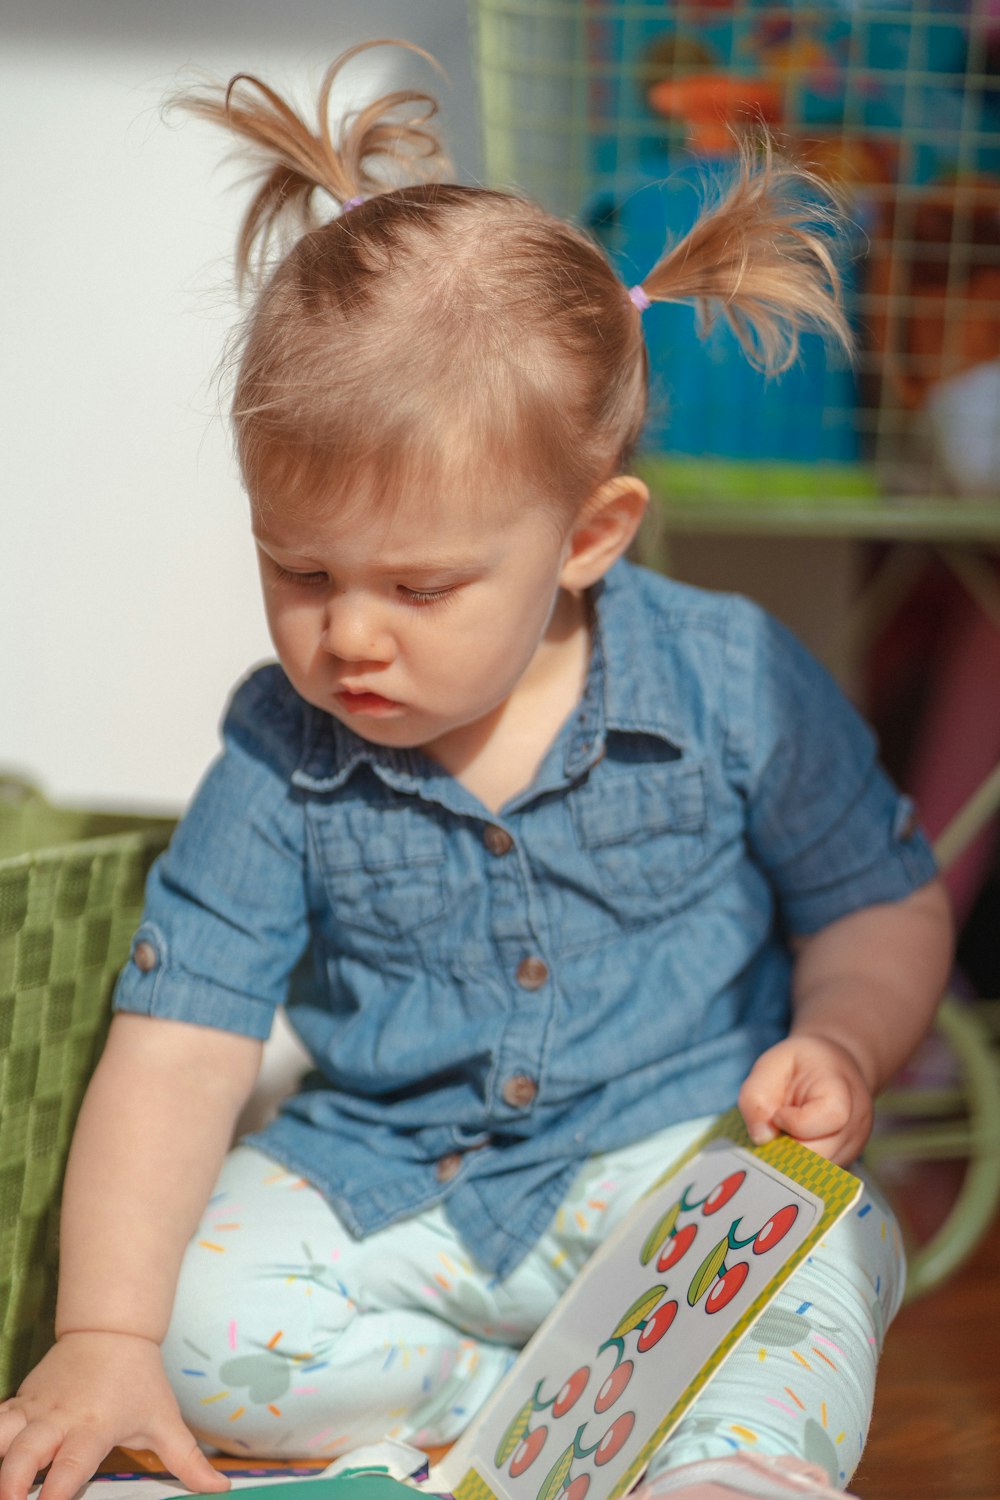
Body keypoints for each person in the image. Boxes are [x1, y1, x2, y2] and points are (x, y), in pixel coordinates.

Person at [0, 41, 952, 1500]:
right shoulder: (280, 748)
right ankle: (517, 1407)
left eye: (423, 588)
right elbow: (182, 1045)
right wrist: (106, 1329)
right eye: (300, 569)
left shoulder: (730, 680)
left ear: (589, 537)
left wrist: (843, 1043)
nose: (350, 638)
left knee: (815, 1258)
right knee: (194, 1330)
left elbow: (876, 901)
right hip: (401, 1183)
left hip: (669, 1165)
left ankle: (717, 1461)